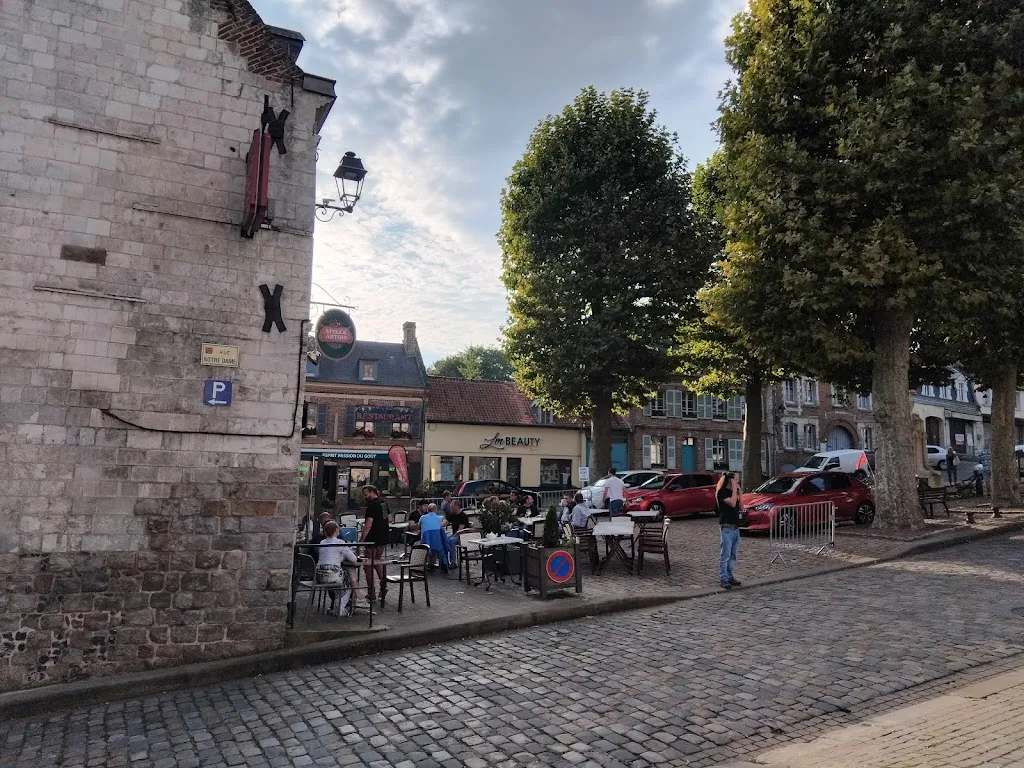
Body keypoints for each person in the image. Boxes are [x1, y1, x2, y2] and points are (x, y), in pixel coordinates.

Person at [315, 521, 358, 616]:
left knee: (340, 582)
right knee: (348, 582)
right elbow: (353, 559)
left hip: (319, 575)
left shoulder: (322, 542)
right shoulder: (340, 542)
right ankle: (340, 609)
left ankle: (336, 606)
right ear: (336, 530)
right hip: (333, 574)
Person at [359, 485, 390, 605]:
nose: (364, 497)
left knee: (368, 566)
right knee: (378, 562)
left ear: (372, 492)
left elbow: (368, 524)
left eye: (366, 494)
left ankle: (371, 592)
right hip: (382, 538)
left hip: (372, 540)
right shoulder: (383, 503)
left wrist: (362, 541)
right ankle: (383, 585)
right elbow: (389, 519)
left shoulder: (371, 506)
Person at [716, 473, 742, 590]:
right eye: (736, 480)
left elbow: (741, 507)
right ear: (731, 480)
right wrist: (734, 491)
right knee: (725, 555)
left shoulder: (734, 493)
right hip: (726, 527)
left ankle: (730, 575)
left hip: (735, 527)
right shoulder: (722, 492)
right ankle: (723, 578)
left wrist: (739, 494)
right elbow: (731, 503)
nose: (738, 482)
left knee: (733, 555)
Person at [418, 504, 453, 570]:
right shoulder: (440, 518)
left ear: (428, 510)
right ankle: (442, 563)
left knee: (417, 543)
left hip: (426, 540)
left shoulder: (422, 517)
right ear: (435, 509)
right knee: (440, 543)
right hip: (437, 542)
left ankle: (420, 563)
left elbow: (419, 526)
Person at [445, 500, 471, 567]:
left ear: (457, 506)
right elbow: (446, 523)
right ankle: (445, 561)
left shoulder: (463, 516)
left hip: (463, 536)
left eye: (452, 505)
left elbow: (460, 531)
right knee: (444, 539)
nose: (450, 507)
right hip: (456, 534)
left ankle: (453, 562)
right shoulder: (452, 514)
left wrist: (452, 536)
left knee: (451, 541)